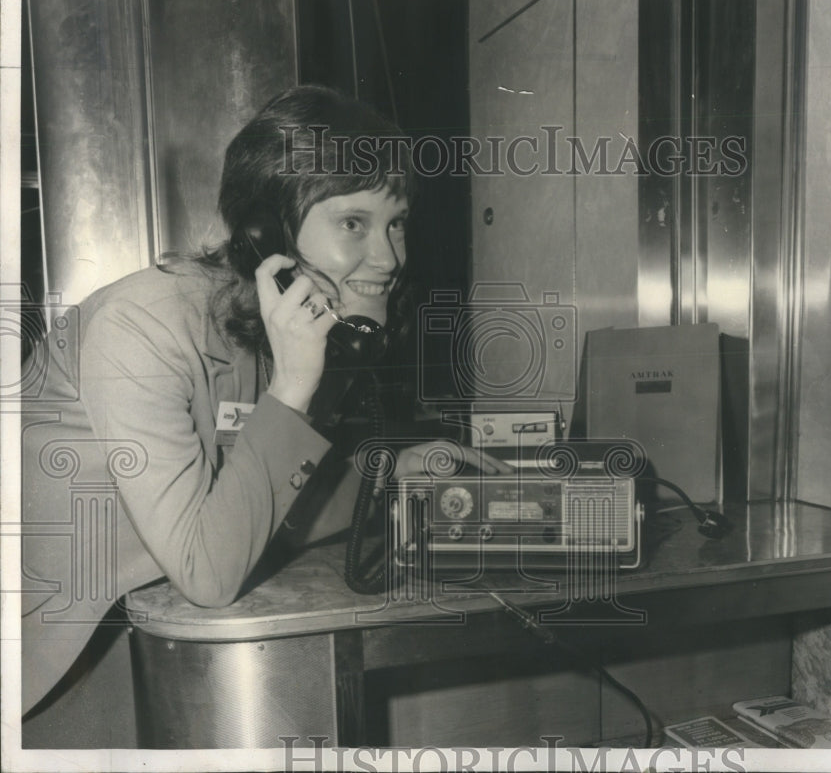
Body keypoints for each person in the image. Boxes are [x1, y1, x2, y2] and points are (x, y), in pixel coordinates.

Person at [19, 85, 506, 723]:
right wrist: (295, 387)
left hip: (149, 625)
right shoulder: (139, 329)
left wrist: (388, 473)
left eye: (396, 223)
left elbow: (271, 506)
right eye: (353, 223)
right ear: (263, 234)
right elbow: (210, 573)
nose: (389, 258)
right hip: (53, 654)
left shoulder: (292, 329)